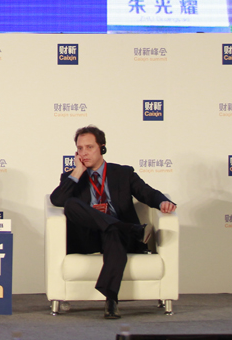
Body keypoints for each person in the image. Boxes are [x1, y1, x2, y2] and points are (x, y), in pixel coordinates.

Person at [50, 125, 177, 320]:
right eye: (80, 148)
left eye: (90, 147)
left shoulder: (122, 173)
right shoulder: (72, 177)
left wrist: (162, 202)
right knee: (71, 204)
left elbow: (146, 192)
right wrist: (77, 171)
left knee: (113, 232)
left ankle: (111, 300)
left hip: (117, 238)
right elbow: (57, 200)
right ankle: (131, 229)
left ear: (102, 148)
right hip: (88, 238)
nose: (84, 153)